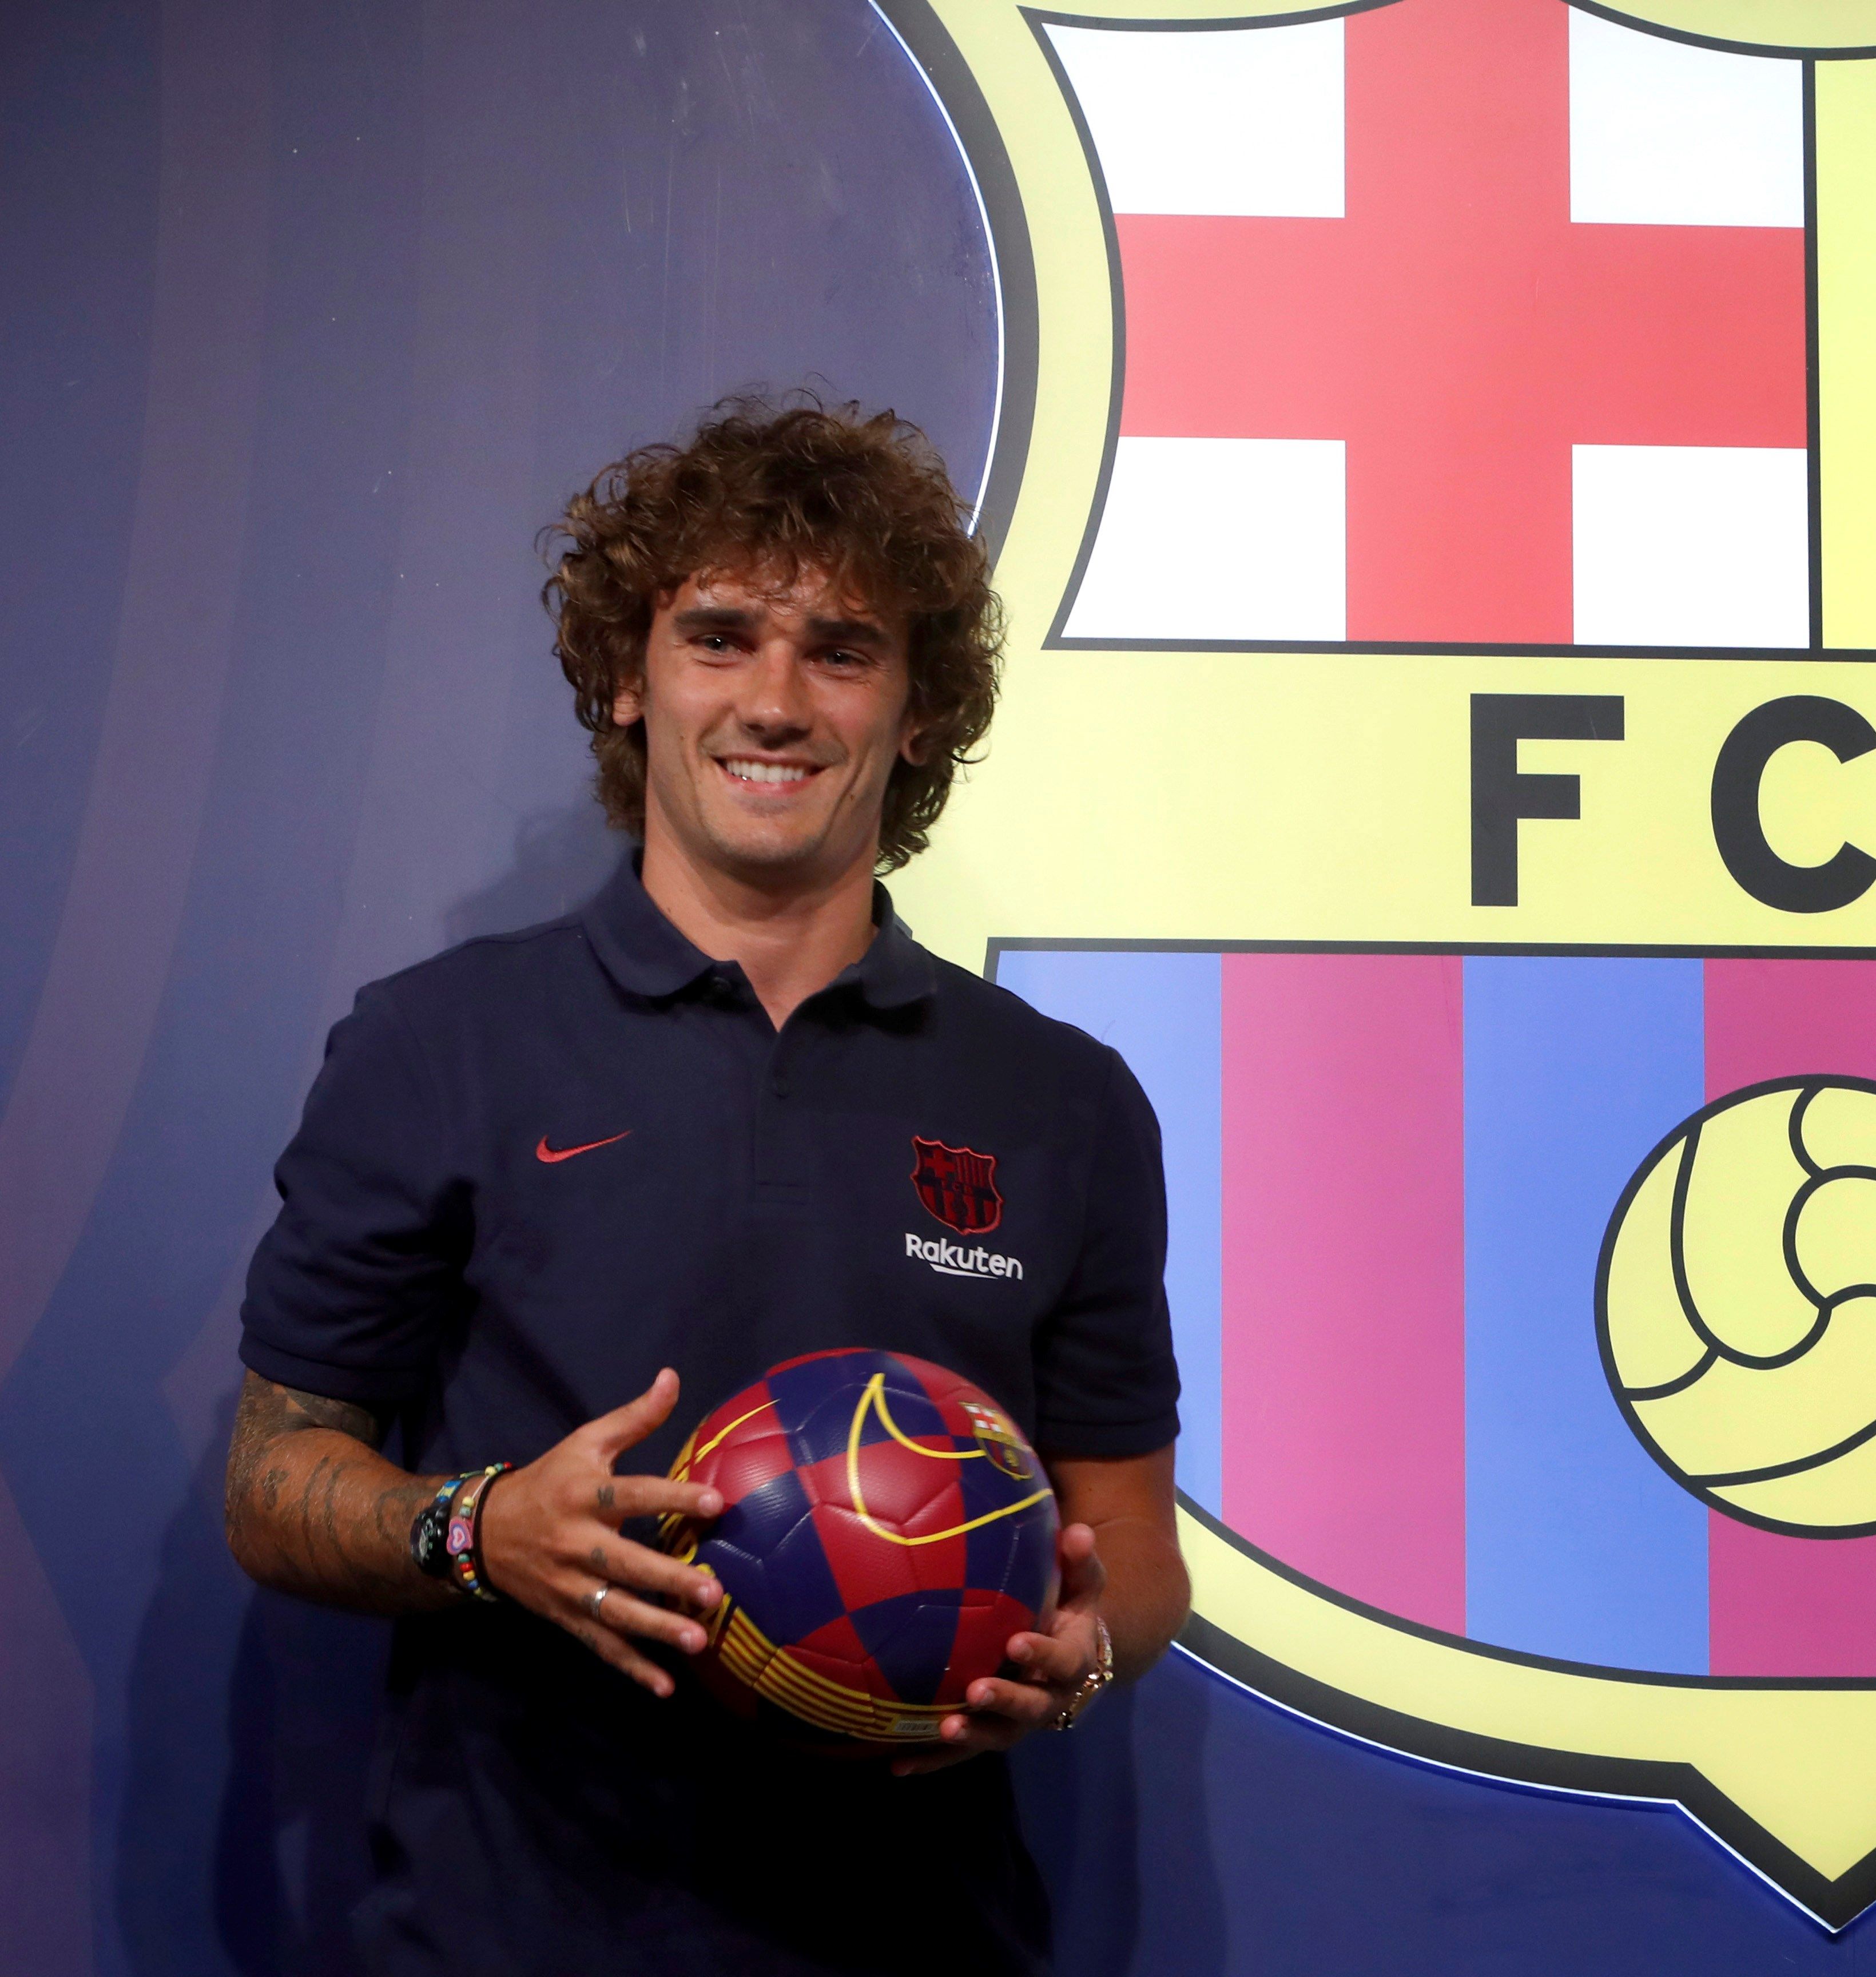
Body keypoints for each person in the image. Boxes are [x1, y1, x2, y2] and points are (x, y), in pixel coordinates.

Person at [221, 398, 1187, 1975]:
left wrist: (1077, 1654)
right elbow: (274, 1481)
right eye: (720, 637)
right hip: (504, 1939)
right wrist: (482, 1529)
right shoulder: (437, 1042)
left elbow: (1131, 1543)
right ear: (632, 675)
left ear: (920, 712)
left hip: (921, 1943)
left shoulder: (1064, 1101)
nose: (776, 702)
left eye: (843, 652)